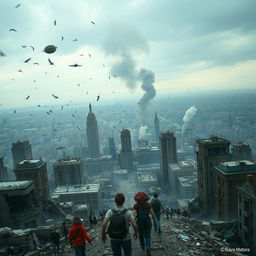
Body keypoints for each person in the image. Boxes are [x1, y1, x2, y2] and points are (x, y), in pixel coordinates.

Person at [133, 192, 157, 256]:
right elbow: (152, 213)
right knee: (147, 235)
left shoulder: (135, 205)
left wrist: (134, 221)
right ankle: (148, 246)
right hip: (147, 222)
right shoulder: (148, 205)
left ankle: (142, 246)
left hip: (139, 223)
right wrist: (155, 221)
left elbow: (134, 214)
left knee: (141, 235)